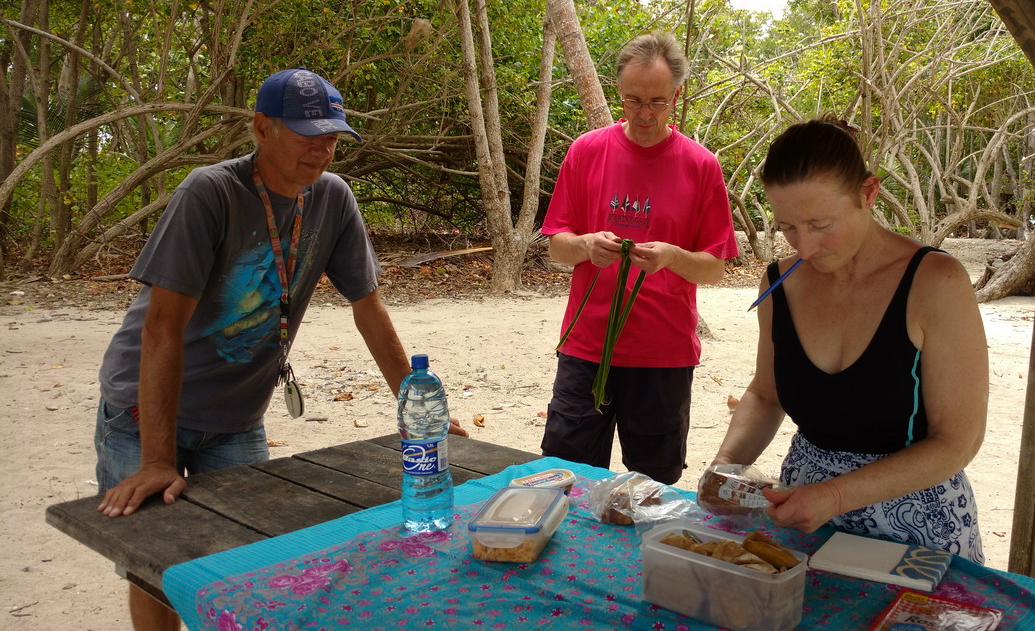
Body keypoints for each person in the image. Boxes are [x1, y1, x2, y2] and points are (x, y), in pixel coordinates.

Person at [93, 67, 466, 630]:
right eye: (306, 133)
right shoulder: (210, 192)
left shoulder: (332, 199)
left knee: (252, 561)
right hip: (143, 409)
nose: (320, 149)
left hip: (238, 417)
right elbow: (160, 329)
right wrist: (157, 459)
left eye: (332, 136)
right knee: (157, 563)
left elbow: (368, 309)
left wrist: (416, 410)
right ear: (260, 128)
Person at [709, 116, 988, 562]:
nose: (805, 248)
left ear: (868, 193)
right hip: (803, 509)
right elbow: (765, 396)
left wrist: (835, 496)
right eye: (787, 228)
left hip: (916, 518)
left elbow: (958, 442)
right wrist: (725, 468)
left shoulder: (936, 282)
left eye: (820, 224)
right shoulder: (778, 282)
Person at [540, 31, 739, 485]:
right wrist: (587, 246)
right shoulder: (586, 151)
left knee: (651, 489)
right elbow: (556, 245)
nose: (645, 114)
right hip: (585, 347)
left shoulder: (700, 165)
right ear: (618, 93)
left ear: (676, 96)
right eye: (633, 101)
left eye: (657, 102)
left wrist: (672, 257)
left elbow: (714, 268)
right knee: (563, 477)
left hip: (662, 356)